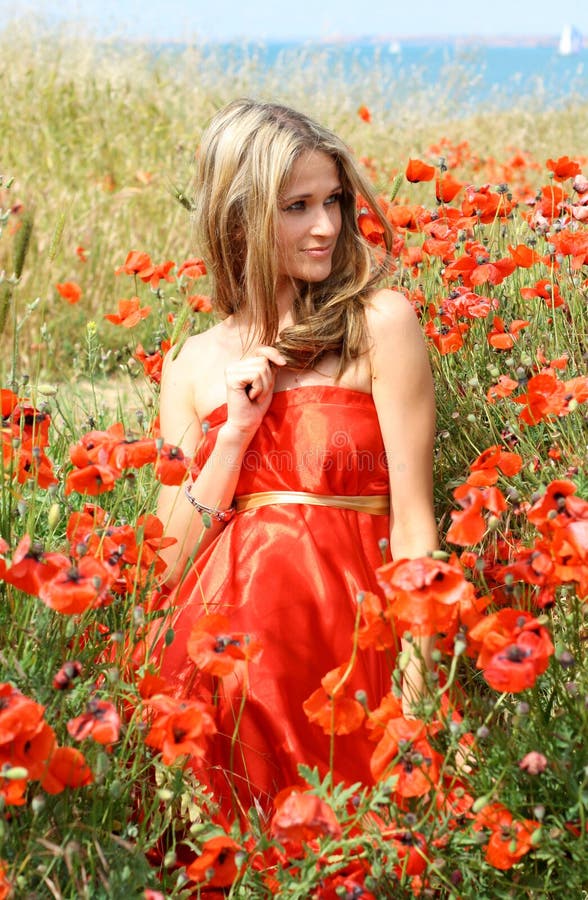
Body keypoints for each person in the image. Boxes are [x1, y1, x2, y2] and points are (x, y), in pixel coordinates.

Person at [151, 99, 438, 819]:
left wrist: (418, 687)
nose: (328, 226)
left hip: (353, 651)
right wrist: (234, 434)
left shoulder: (379, 325)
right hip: (228, 672)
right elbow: (166, 561)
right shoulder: (191, 363)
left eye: (334, 201)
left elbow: (414, 527)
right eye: (298, 206)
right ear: (239, 217)